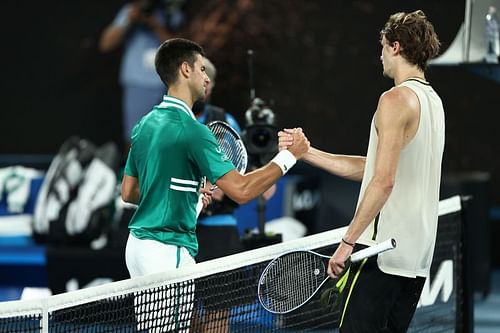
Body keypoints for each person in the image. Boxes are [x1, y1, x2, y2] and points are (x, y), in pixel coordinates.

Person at [279, 10, 444, 333]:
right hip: (415, 257)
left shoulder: (395, 99)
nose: (380, 54)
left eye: (383, 46)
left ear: (395, 46)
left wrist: (348, 242)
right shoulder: (432, 101)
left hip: (380, 253)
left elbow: (383, 181)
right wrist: (307, 153)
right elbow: (374, 169)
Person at [121, 38, 309, 279]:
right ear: (185, 70)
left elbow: (129, 192)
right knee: (175, 319)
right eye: (201, 69)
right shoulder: (194, 131)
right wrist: (288, 157)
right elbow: (241, 190)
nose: (207, 78)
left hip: (138, 248)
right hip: (168, 250)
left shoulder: (145, 124)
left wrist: (185, 196)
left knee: (152, 319)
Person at [99, 0, 184, 146]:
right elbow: (105, 44)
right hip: (137, 84)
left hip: (167, 85)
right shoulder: (131, 10)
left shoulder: (170, 13)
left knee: (168, 140)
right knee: (134, 139)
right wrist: (129, 21)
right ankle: (133, 169)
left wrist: (156, 25)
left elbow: (181, 49)